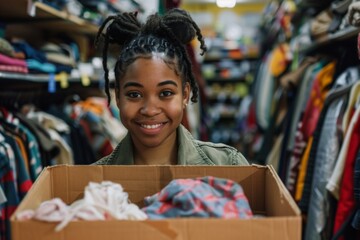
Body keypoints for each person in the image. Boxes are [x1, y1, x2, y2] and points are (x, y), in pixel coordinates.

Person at [93, 8, 249, 166]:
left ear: (185, 95)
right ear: (118, 98)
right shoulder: (92, 180)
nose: (150, 110)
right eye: (134, 95)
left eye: (165, 93)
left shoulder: (228, 165)